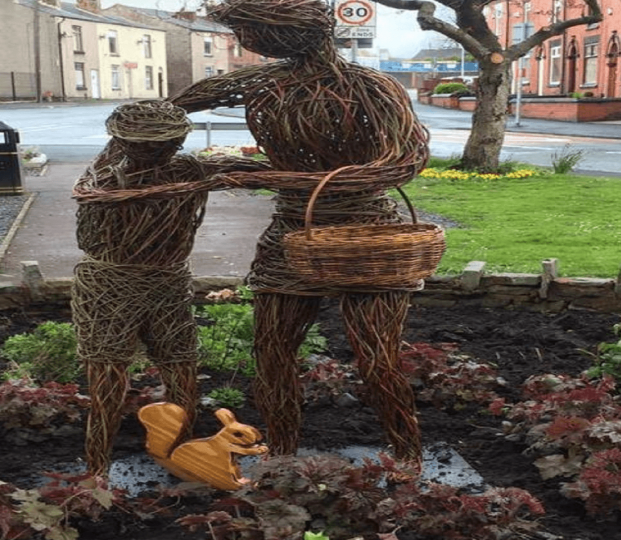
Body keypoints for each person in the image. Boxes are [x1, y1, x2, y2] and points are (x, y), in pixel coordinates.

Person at [169, 0, 431, 466]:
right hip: (290, 235)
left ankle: (407, 455)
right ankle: (281, 455)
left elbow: (402, 163)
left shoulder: (371, 87)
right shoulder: (264, 83)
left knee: (376, 359)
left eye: (258, 29)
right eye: (244, 31)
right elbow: (172, 109)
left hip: (366, 239)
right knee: (271, 354)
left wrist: (267, 177)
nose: (250, 41)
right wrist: (155, 143)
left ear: (308, 26)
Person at [72, 100, 269, 474]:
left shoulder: (185, 170)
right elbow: (89, 229)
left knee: (181, 371)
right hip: (111, 286)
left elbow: (239, 170)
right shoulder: (104, 180)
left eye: (161, 142)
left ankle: (183, 458)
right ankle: (97, 470)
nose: (155, 151)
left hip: (165, 283)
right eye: (144, 143)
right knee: (109, 382)